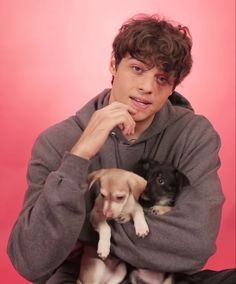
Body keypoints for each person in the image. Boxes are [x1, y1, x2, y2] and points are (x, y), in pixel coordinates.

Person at [7, 14, 235, 284]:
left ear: (173, 86)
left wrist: (86, 225)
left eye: (162, 78)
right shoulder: (58, 140)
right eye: (137, 69)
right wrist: (79, 156)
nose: (147, 87)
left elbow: (196, 244)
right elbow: (31, 260)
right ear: (114, 64)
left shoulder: (193, 134)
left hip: (165, 278)